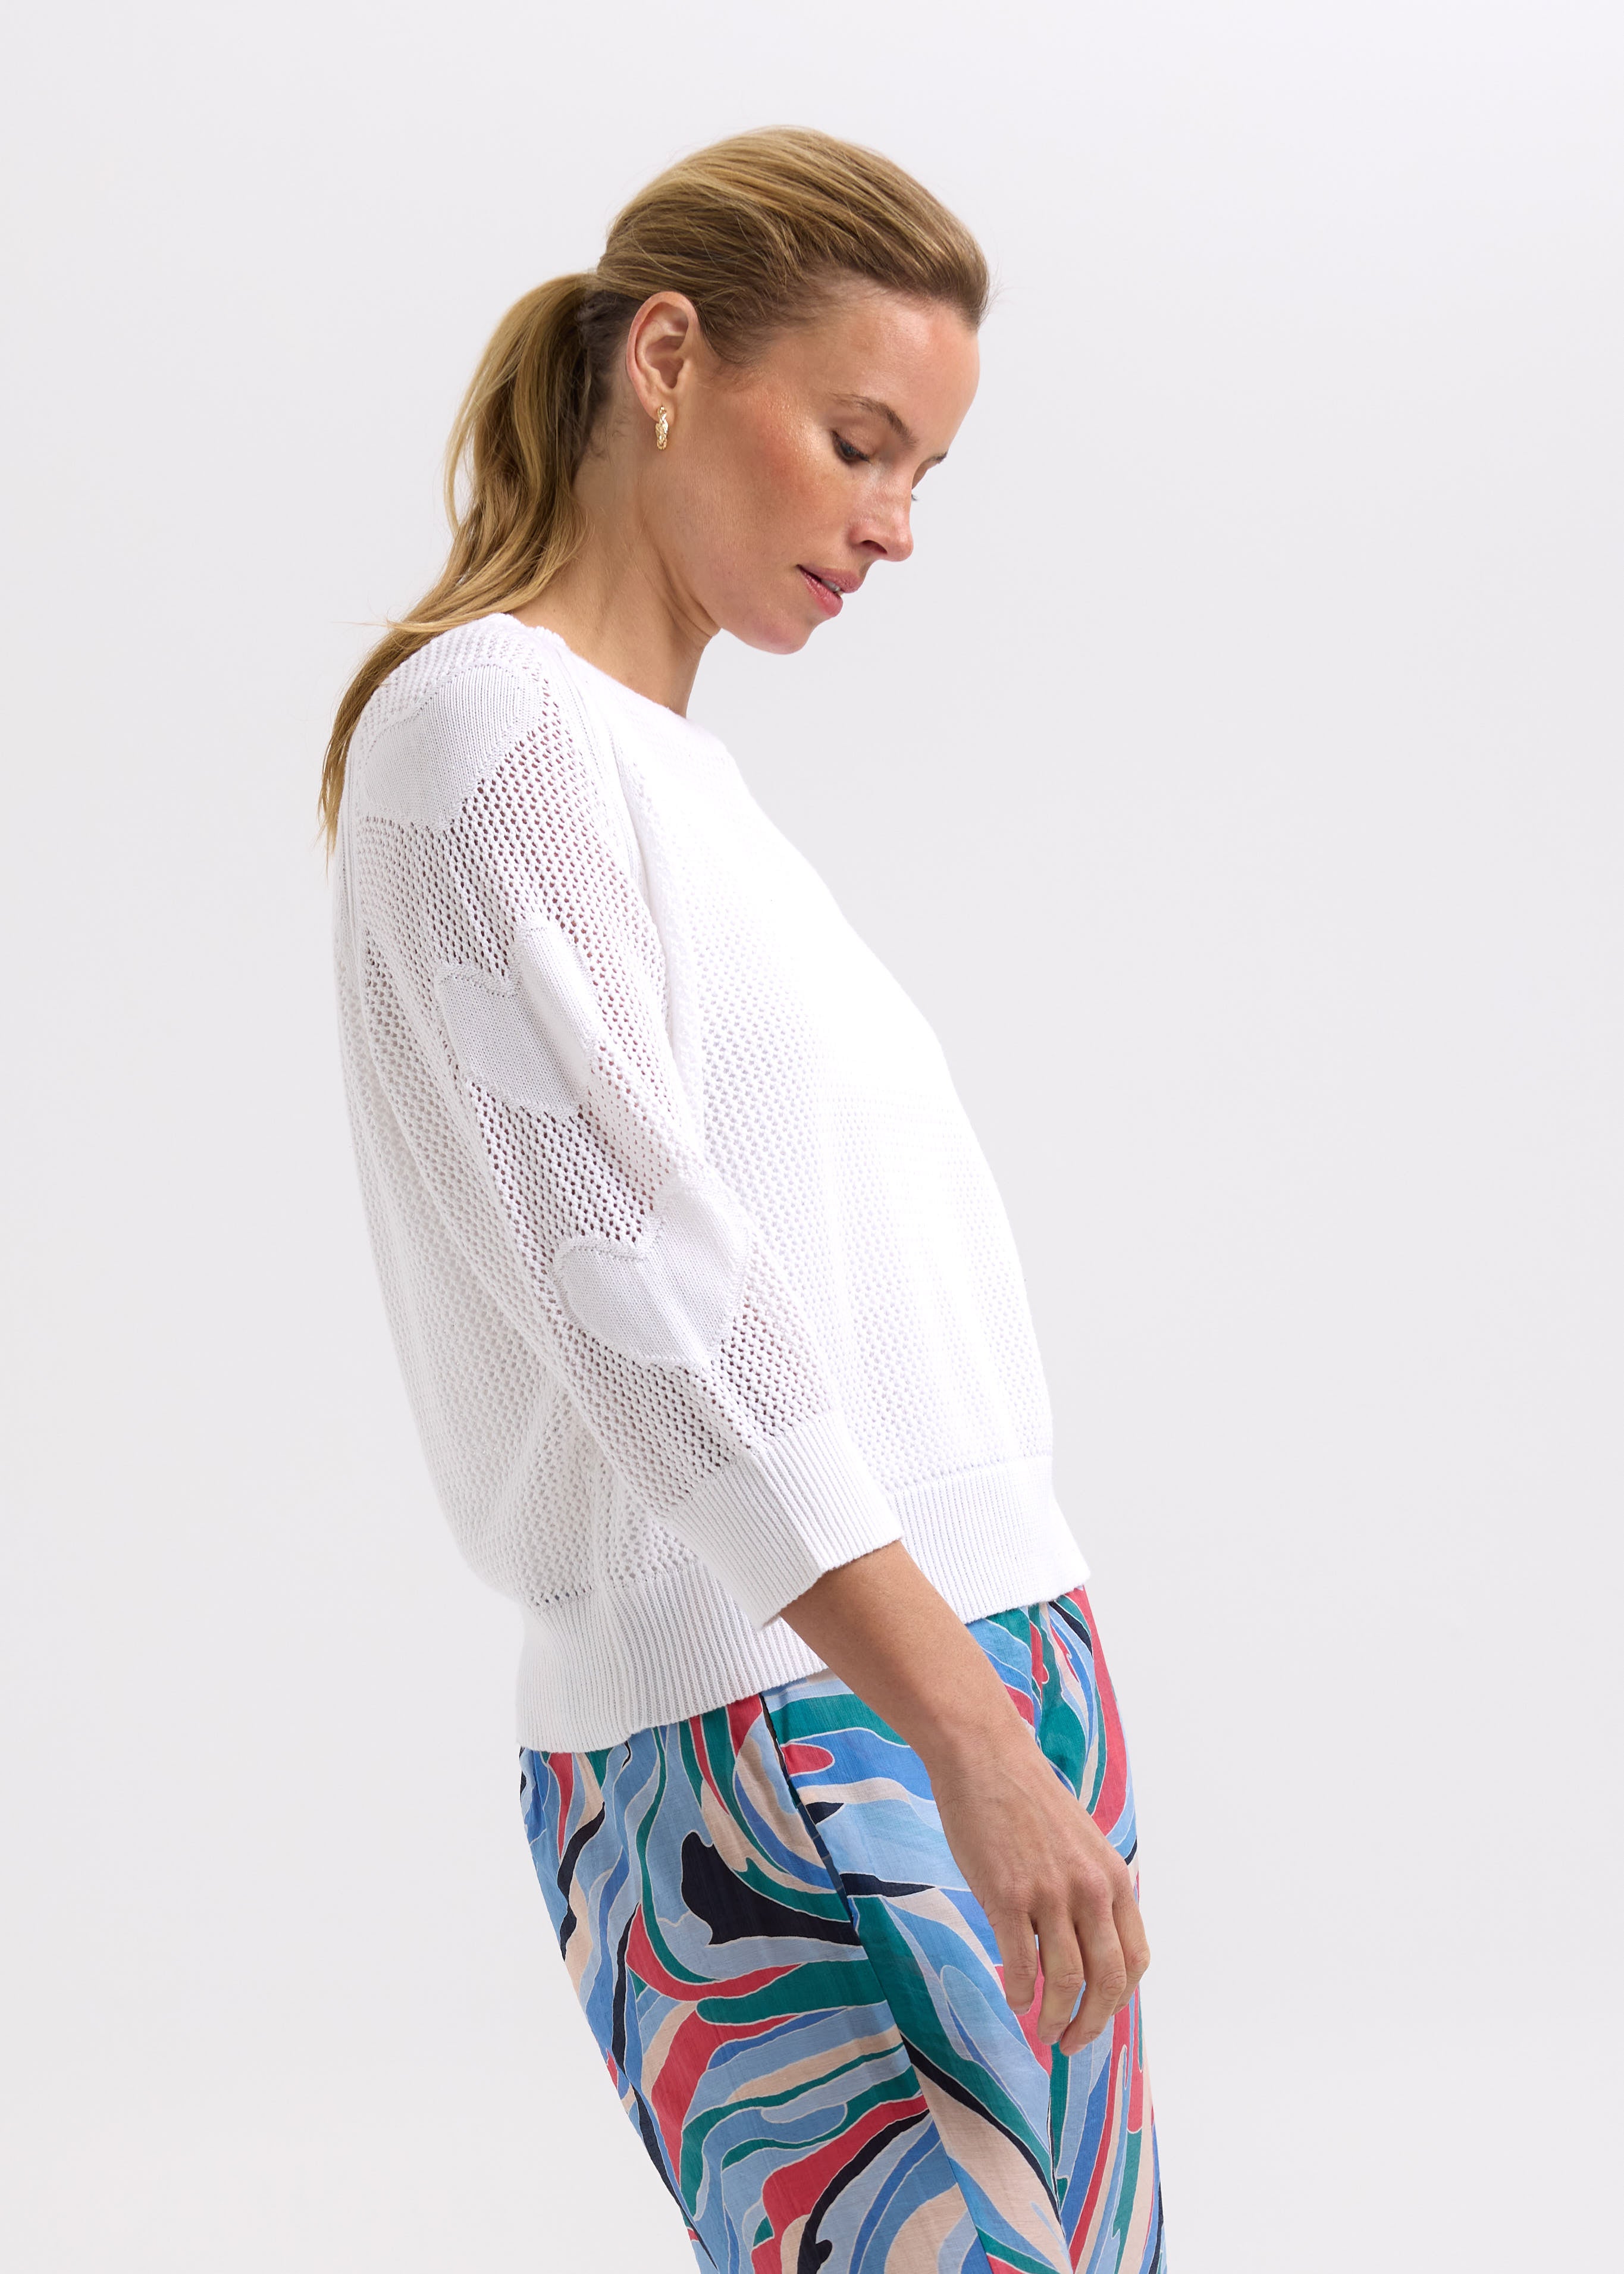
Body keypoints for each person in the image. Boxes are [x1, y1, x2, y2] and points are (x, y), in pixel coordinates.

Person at [323, 127, 1165, 2274]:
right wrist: (959, 1727)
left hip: (943, 1674)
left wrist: (1004, 1707)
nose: (893, 524)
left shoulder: (676, 781)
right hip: (802, 1710)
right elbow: (649, 1299)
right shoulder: (489, 730)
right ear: (669, 360)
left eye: (925, 475)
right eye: (858, 443)